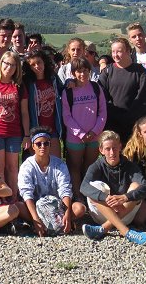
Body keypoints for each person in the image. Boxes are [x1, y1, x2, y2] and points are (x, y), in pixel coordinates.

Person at [80, 131, 146, 246]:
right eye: (107, 149)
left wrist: (125, 197)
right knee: (94, 186)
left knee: (136, 186)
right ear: (101, 150)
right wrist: (106, 198)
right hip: (102, 214)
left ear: (120, 147)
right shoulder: (96, 166)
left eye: (114, 148)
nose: (112, 152)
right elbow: (83, 187)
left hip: (124, 213)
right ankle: (126, 232)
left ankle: (103, 228)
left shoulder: (130, 166)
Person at [17, 127, 86, 236]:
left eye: (46, 143)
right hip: (36, 208)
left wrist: (67, 214)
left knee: (80, 208)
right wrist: (36, 219)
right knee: (18, 206)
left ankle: (58, 222)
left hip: (57, 208)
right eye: (38, 144)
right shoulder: (27, 166)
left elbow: (65, 189)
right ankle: (41, 223)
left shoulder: (59, 164)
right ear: (33, 146)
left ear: (50, 145)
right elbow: (26, 193)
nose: (42, 146)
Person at [0, 50, 30, 200]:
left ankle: (13, 199)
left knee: (13, 167)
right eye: (6, 63)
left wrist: (27, 135)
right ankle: (1, 200)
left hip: (14, 132)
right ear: (1, 63)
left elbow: (24, 112)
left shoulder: (19, 86)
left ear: (17, 68)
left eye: (13, 65)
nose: (9, 67)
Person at [61, 58, 107, 198]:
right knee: (74, 168)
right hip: (75, 138)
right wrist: (81, 134)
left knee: (89, 167)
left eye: (85, 70)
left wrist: (94, 131)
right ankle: (78, 196)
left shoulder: (96, 88)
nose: (83, 74)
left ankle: (89, 196)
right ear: (73, 73)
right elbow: (67, 116)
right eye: (79, 71)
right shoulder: (68, 91)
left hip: (94, 136)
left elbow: (102, 112)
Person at [98, 38, 146, 145]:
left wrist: (128, 117)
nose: (115, 55)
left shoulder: (140, 72)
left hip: (133, 123)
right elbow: (101, 94)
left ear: (128, 51)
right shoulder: (107, 71)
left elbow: (143, 98)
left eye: (119, 51)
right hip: (112, 122)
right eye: (113, 52)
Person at [23, 49, 64, 158]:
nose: (37, 66)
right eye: (33, 64)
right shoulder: (27, 82)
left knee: (55, 162)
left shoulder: (53, 78)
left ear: (44, 62)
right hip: (35, 128)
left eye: (39, 62)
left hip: (53, 127)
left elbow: (63, 90)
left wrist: (70, 81)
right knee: (39, 163)